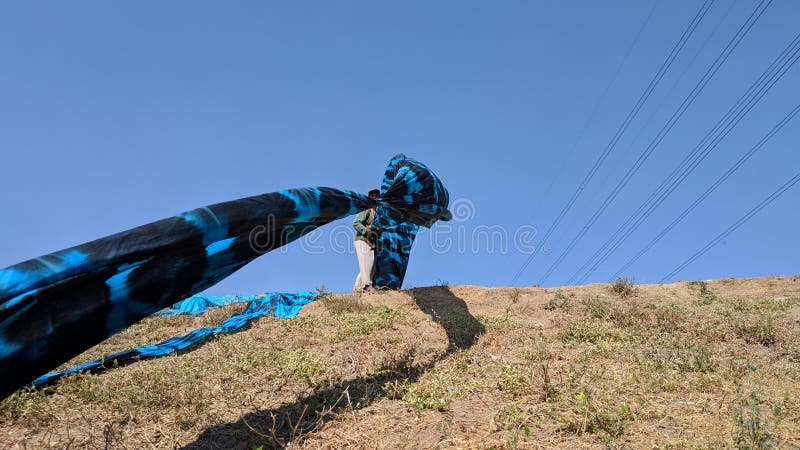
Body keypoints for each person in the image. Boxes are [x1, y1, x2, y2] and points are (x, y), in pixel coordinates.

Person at [353, 189, 380, 293]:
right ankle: (367, 286)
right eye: (373, 196)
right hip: (362, 240)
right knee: (366, 266)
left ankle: (356, 290)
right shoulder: (366, 209)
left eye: (377, 196)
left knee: (370, 268)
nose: (375, 198)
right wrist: (367, 232)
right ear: (370, 198)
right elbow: (356, 223)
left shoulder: (376, 214)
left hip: (370, 242)